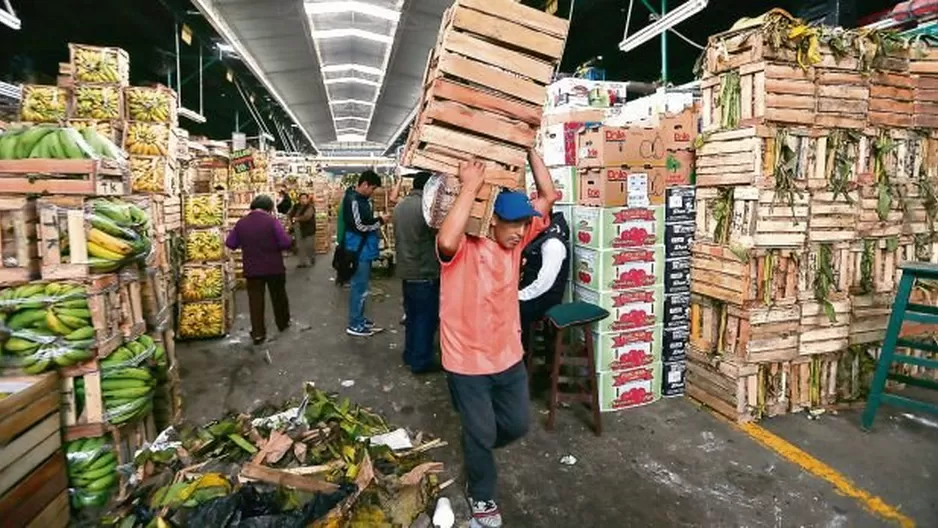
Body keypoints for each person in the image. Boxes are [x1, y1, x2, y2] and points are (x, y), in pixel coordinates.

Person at [437, 151, 557, 528]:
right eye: (515, 224)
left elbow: (548, 195)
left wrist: (529, 148)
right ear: (493, 221)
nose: (522, 232)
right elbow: (444, 241)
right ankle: (482, 497)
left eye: (526, 224)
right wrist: (470, 186)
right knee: (482, 430)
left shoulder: (515, 245)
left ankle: (477, 448)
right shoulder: (466, 247)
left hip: (507, 355)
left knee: (517, 424)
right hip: (465, 361)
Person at [225, 195, 293, 345]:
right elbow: (285, 242)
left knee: (255, 300)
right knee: (278, 296)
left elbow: (230, 243)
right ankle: (282, 323)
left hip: (252, 268)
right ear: (269, 208)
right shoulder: (272, 222)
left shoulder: (241, 223)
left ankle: (258, 333)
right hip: (274, 267)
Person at [393, 172, 440, 374]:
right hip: (424, 270)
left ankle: (410, 354)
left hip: (406, 269)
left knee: (412, 316)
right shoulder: (427, 209)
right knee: (425, 318)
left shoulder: (400, 206)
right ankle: (421, 361)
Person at [342, 170, 390, 337]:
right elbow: (359, 226)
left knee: (362, 287)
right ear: (364, 184)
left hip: (364, 249)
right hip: (358, 250)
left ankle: (360, 319)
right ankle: (355, 324)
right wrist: (380, 222)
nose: (372, 192)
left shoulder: (362, 200)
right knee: (359, 288)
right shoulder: (354, 200)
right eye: (372, 188)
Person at [519, 211, 571, 351]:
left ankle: (520, 356)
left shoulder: (552, 244)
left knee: (510, 310)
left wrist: (519, 296)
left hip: (544, 298)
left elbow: (544, 283)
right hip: (531, 290)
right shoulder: (541, 234)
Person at [288, 193, 317, 268]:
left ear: (307, 199)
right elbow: (290, 214)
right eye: (301, 198)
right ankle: (302, 262)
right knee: (300, 245)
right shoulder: (296, 206)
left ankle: (311, 257)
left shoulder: (310, 207)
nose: (302, 200)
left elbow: (307, 216)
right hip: (298, 228)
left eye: (304, 198)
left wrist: (297, 219)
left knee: (308, 245)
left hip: (308, 229)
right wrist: (290, 221)